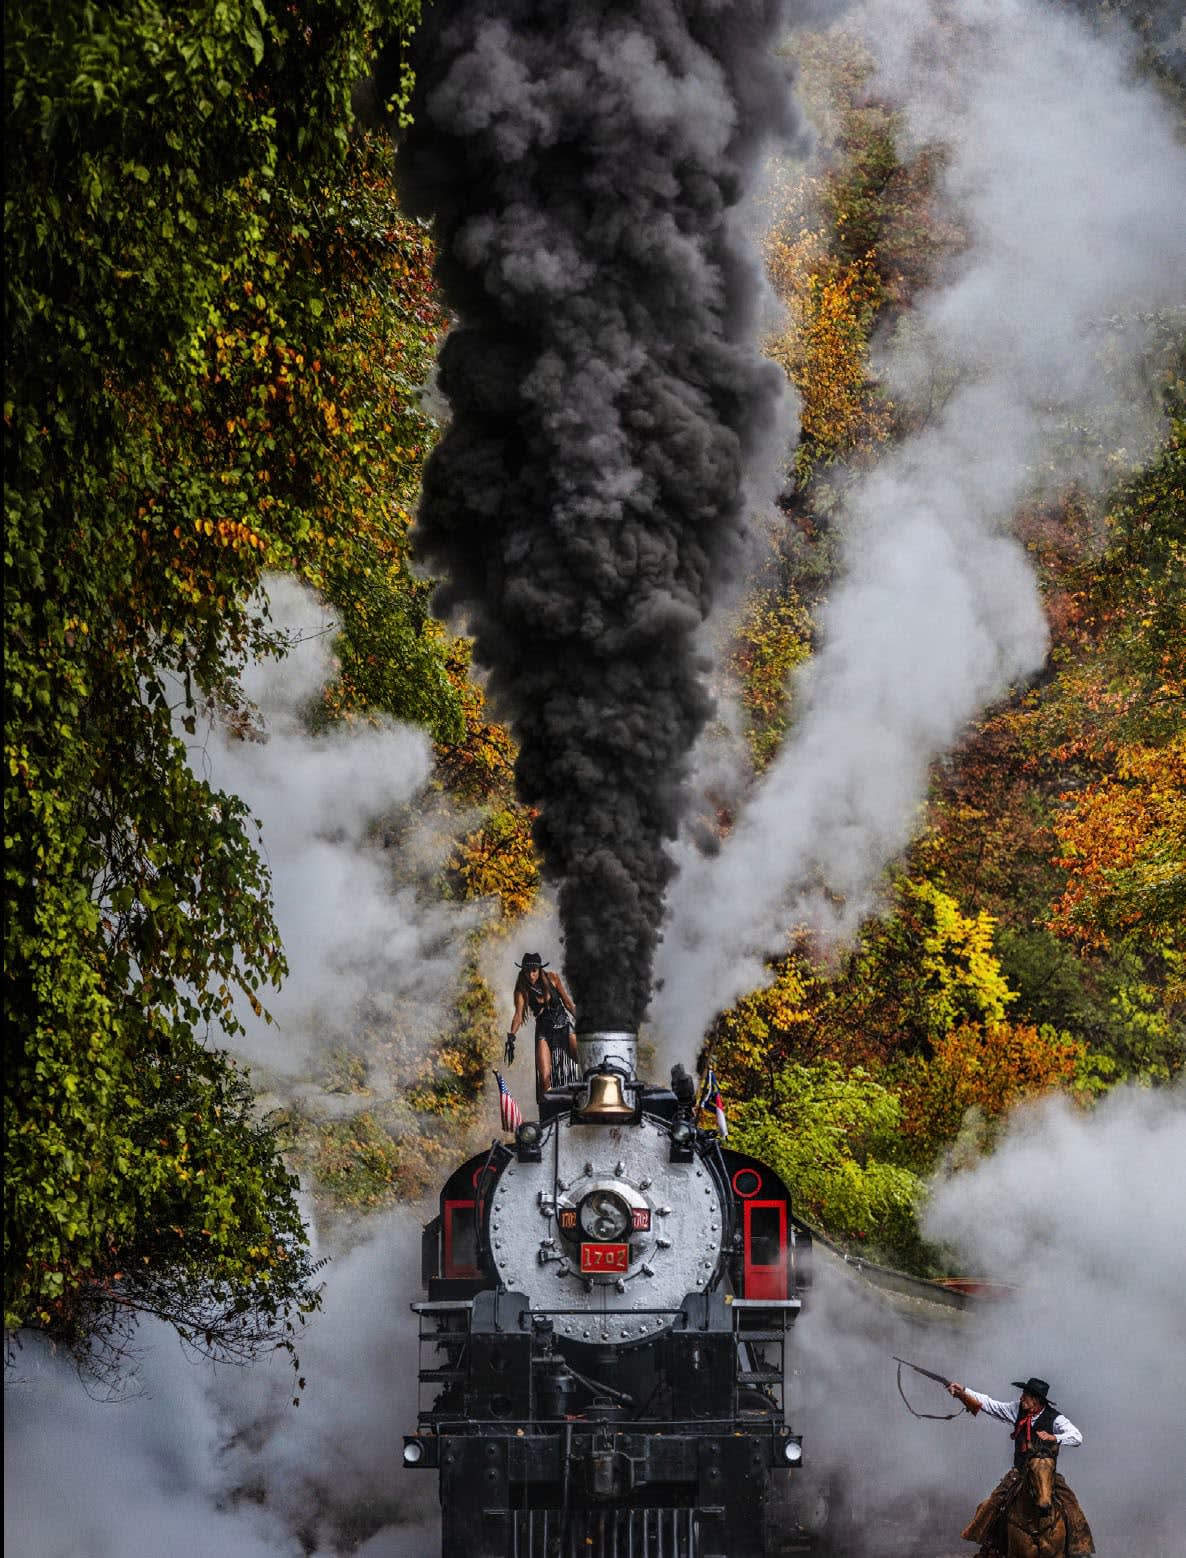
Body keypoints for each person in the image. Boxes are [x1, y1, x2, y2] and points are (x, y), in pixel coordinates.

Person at [946, 1375, 1095, 1557]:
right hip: (1020, 1472)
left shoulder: (1055, 1419)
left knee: (1072, 1505)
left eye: (1026, 1395)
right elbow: (990, 1404)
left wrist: (1054, 1437)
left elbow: (1077, 1437)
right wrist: (964, 1391)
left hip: (1046, 1472)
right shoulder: (1017, 1410)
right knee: (992, 1504)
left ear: (1036, 1399)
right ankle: (990, 1546)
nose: (1021, 1398)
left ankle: (1079, 1549)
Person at [505, 953, 578, 1101]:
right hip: (544, 1031)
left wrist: (584, 1022)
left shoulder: (553, 978)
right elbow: (518, 1015)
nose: (531, 975)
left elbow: (568, 1003)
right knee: (544, 1077)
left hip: (564, 1025)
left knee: (583, 1060)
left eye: (534, 971)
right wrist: (511, 1036)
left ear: (539, 970)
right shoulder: (522, 990)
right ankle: (548, 1108)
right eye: (527, 971)